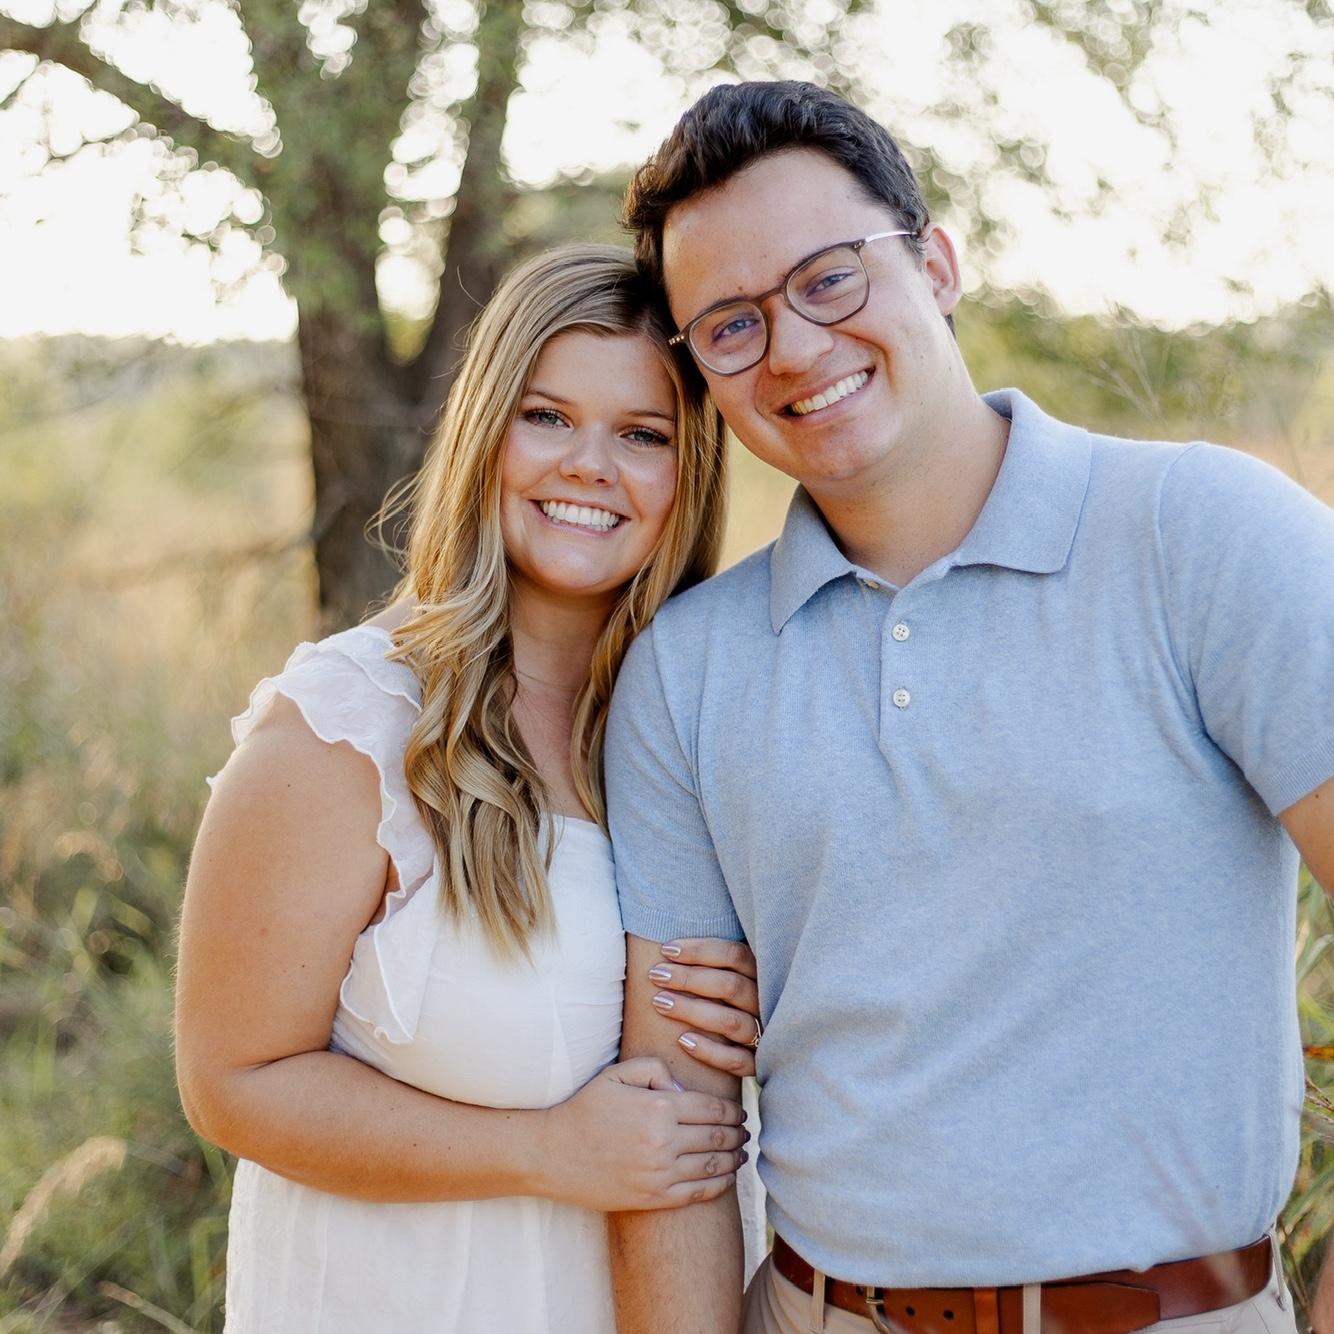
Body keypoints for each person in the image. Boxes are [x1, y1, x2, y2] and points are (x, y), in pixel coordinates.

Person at [602, 81, 1334, 1334]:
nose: (789, 348)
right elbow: (670, 1108)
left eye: (828, 278)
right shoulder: (685, 668)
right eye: (727, 325)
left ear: (934, 262)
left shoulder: (1201, 535)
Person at [174, 243, 768, 1333]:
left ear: (690, 471)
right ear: (484, 432)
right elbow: (231, 1079)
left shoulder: (703, 731)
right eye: (546, 416)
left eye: (641, 434)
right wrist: (546, 1151)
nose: (590, 464)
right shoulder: (346, 725)